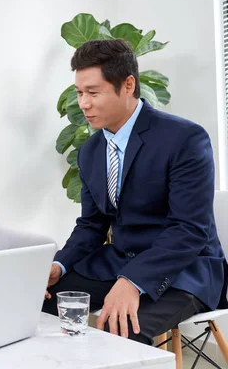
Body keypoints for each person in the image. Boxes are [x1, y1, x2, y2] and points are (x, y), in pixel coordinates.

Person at [42, 39, 227, 345]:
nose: (83, 103)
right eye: (79, 93)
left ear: (127, 85)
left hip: (184, 269)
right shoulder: (90, 151)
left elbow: (189, 229)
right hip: (117, 262)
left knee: (122, 329)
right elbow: (91, 225)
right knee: (39, 303)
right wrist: (59, 265)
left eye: (93, 92)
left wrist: (134, 280)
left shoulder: (184, 139)